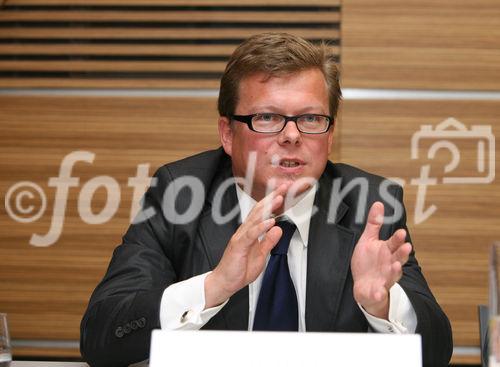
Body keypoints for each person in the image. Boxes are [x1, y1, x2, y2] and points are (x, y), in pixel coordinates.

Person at [80, 33, 453, 367]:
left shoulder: (369, 205)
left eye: (309, 118)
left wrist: (382, 305)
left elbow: (438, 351)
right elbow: (101, 336)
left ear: (330, 134)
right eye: (268, 117)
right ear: (227, 133)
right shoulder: (180, 193)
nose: (291, 135)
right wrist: (214, 287)